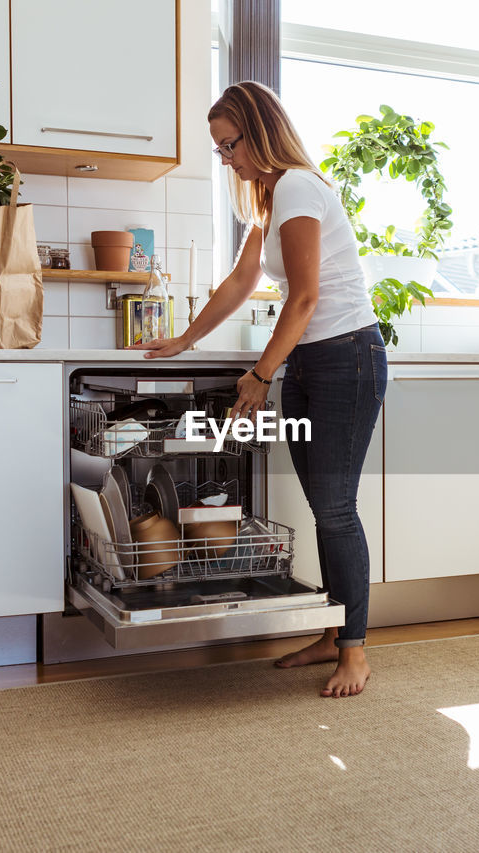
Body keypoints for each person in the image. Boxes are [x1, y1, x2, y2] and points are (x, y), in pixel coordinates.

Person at [135, 81, 387, 698]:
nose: (226, 158)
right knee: (326, 510)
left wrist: (261, 374)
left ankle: (354, 651)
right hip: (310, 362)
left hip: (345, 359)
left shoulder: (300, 186)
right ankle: (332, 634)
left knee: (335, 510)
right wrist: (186, 340)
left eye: (228, 145)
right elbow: (242, 280)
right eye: (219, 149)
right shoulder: (273, 201)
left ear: (259, 131)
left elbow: (305, 297)